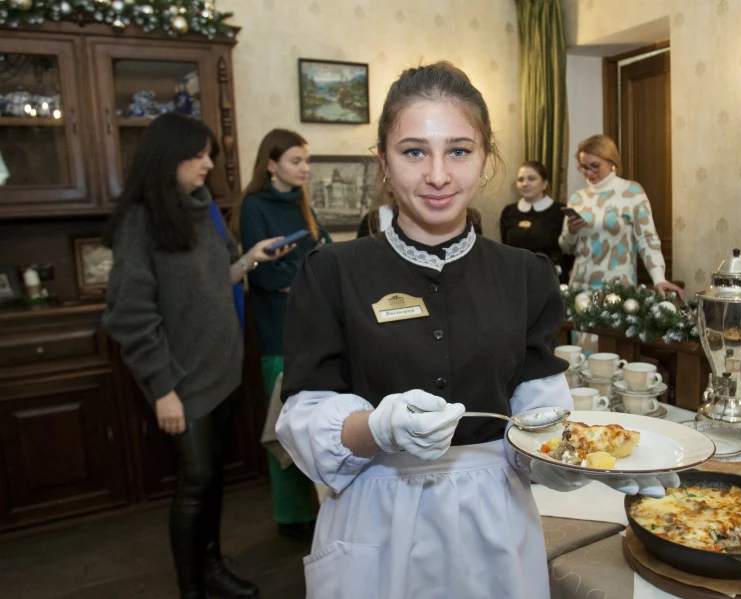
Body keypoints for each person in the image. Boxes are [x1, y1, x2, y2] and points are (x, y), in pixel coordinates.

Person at [274, 62, 677, 599]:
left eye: (459, 151)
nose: (438, 175)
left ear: (485, 158)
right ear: (383, 162)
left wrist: (582, 458)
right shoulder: (330, 272)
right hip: (377, 521)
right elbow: (302, 416)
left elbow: (540, 415)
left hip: (494, 524)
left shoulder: (526, 275)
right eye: (414, 151)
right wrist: (378, 427)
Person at [103, 113, 293, 599]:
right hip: (181, 380)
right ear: (168, 158)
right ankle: (191, 589)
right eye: (198, 155)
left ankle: (210, 568)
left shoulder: (203, 207)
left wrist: (250, 259)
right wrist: (163, 389)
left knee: (212, 483)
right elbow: (129, 315)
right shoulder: (142, 219)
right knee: (195, 483)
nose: (208, 164)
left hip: (221, 370)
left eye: (210, 154)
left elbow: (214, 281)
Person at [230, 129, 330, 541]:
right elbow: (266, 273)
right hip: (277, 329)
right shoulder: (255, 204)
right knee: (282, 422)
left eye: (306, 160)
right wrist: (301, 273)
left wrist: (300, 275)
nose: (304, 168)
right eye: (295, 160)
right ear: (271, 164)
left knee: (311, 421)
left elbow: (323, 253)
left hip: (310, 322)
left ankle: (315, 508)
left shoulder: (302, 201)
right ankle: (291, 518)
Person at [560, 134, 683, 296]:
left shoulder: (631, 192)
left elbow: (647, 239)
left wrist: (659, 278)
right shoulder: (578, 198)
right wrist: (572, 232)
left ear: (612, 162)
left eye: (595, 165)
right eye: (583, 167)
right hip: (580, 286)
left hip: (618, 289)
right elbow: (566, 247)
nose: (589, 172)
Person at [500, 160, 571, 282]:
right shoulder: (509, 211)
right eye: (520, 180)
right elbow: (505, 246)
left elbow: (568, 251)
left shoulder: (560, 211)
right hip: (516, 278)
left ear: (544, 184)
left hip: (550, 279)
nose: (525, 183)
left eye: (531, 179)